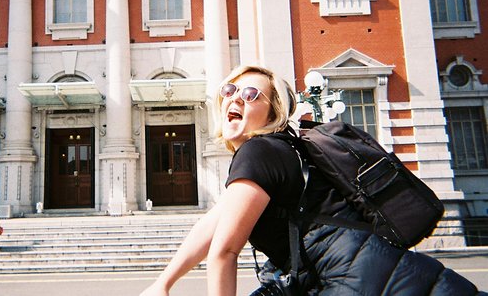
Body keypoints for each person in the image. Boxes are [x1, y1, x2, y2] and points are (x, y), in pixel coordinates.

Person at [140, 65, 481, 296]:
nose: (234, 97)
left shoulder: (258, 152)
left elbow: (224, 251)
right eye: (229, 90)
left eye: (250, 94)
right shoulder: (277, 152)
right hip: (368, 272)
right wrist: (164, 283)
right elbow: (210, 226)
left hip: (358, 280)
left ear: (273, 113)